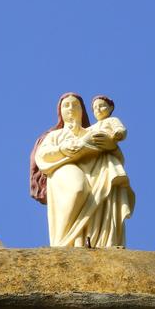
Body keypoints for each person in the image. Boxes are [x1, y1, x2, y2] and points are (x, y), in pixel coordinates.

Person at [32, 92, 134, 247]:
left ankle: (99, 241)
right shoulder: (55, 135)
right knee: (78, 189)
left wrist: (110, 145)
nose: (71, 108)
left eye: (75, 104)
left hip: (95, 171)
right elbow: (42, 156)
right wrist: (66, 148)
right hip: (63, 166)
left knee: (102, 183)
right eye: (66, 105)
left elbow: (112, 149)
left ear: (83, 110)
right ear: (60, 111)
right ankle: (64, 242)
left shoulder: (92, 132)